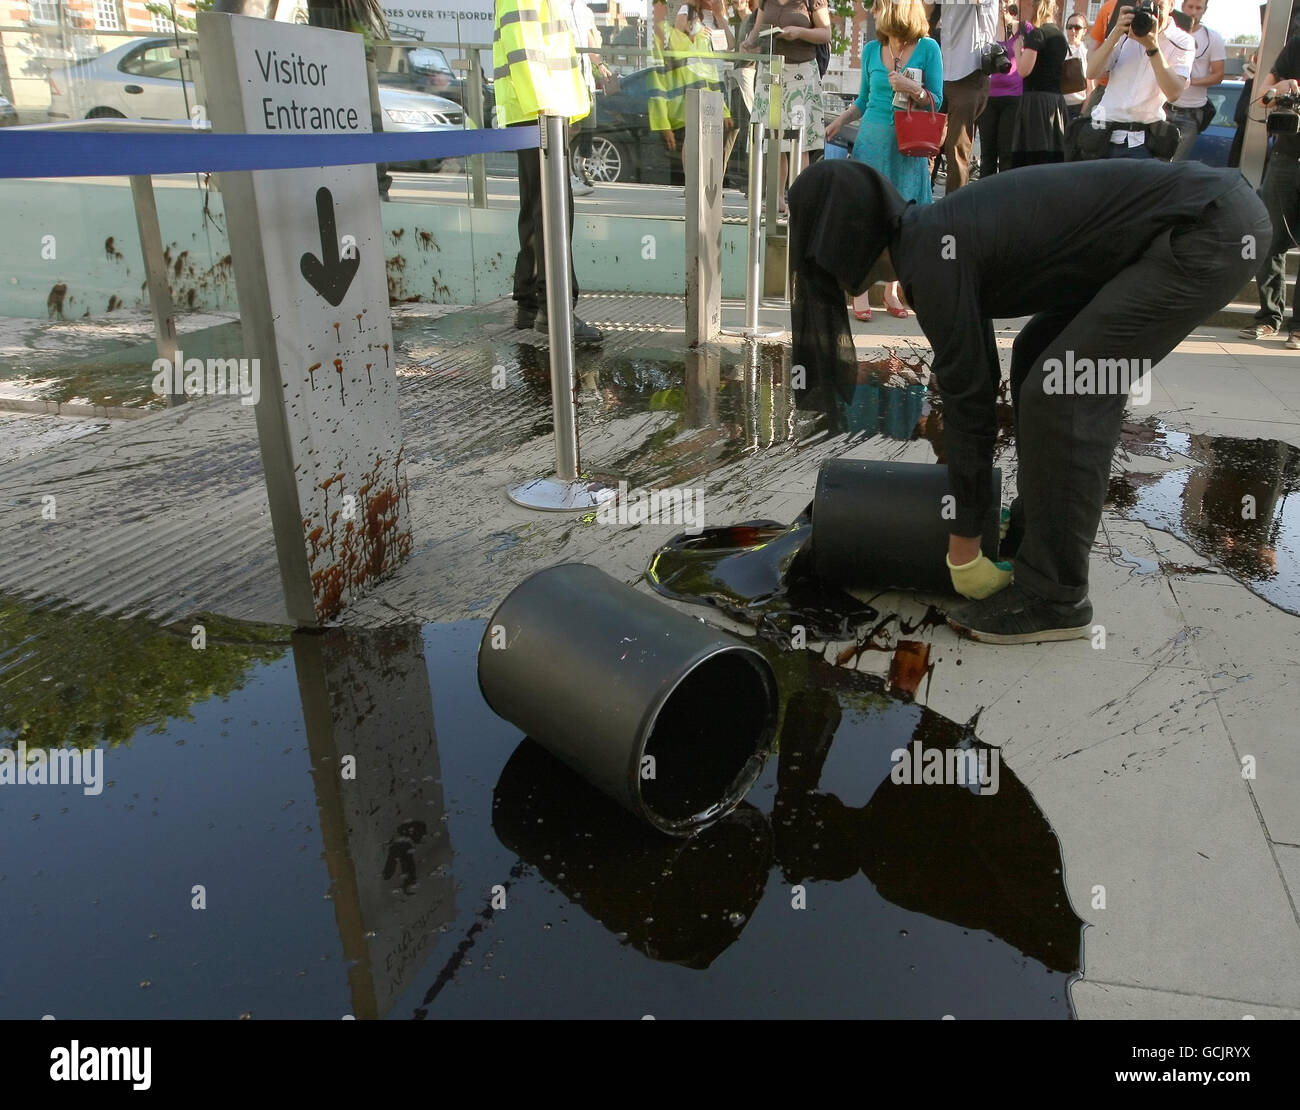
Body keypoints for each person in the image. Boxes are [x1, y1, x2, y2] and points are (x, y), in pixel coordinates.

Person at [788, 157, 1268, 643]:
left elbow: (969, 396)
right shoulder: (929, 238)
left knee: (1064, 389)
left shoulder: (928, 256)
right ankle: (1038, 532)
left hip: (1206, 228)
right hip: (1203, 214)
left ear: (838, 237)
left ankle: (1056, 597)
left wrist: (964, 542)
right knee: (1036, 354)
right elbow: (973, 378)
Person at [495, 0, 605, 343]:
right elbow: (524, 48)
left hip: (536, 111)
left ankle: (530, 304)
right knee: (553, 212)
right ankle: (554, 311)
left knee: (536, 208)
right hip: (542, 111)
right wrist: (547, 108)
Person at [826, 0, 941, 321]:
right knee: (866, 216)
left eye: (879, 6)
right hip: (872, 143)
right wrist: (841, 120)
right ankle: (859, 291)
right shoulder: (872, 50)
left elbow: (938, 98)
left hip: (908, 146)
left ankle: (891, 290)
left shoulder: (929, 48)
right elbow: (863, 99)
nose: (874, 12)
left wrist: (912, 89)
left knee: (902, 221)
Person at [742, 0, 832, 213]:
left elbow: (825, 34)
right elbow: (757, 30)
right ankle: (776, 199)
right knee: (773, 139)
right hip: (771, 71)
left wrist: (799, 32)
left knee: (798, 142)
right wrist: (748, 43)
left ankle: (800, 201)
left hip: (801, 74)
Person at [1241, 36, 1300, 348]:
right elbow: (1262, 95)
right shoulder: (1296, 45)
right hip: (1285, 157)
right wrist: (1285, 86)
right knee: (1270, 239)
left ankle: (1299, 327)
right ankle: (1268, 318)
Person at [1083, 0, 1192, 159]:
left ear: (1171, 6)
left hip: (1143, 141)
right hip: (1104, 135)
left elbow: (1174, 92)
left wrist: (1153, 47)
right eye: (1147, 4)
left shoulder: (1182, 41)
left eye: (1158, 7)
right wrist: (1115, 33)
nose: (1153, 14)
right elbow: (1092, 71)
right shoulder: (1126, 30)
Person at [930, 0, 997, 194]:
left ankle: (955, 211)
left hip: (970, 72)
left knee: (957, 148)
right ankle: (922, 201)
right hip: (943, 70)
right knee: (928, 144)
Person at [1010, 0, 1067, 166]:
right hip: (1055, 102)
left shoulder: (1037, 34)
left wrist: (1018, 51)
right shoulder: (1059, 35)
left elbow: (1023, 70)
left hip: (1036, 104)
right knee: (1051, 155)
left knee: (1033, 156)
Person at [1168, 0, 1225, 162]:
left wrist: (1188, 81)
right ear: (1182, 7)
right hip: (1163, 106)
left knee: (1174, 164)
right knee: (1153, 162)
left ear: (1204, 10)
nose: (1193, 12)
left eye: (1198, 8)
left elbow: (1218, 74)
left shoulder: (1213, 38)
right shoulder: (1169, 32)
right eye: (1190, 7)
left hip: (1191, 111)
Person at [978, 0, 1028, 177]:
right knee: (987, 154)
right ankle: (985, 198)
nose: (1003, 4)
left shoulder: (1024, 29)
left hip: (1013, 97)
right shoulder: (984, 28)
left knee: (1007, 153)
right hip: (988, 97)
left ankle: (1004, 198)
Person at [1062, 11, 1092, 123]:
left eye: (1077, 27)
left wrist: (1082, 114)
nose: (1072, 31)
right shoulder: (1059, 52)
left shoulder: (1087, 54)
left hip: (1077, 108)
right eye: (1069, 27)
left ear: (1084, 31)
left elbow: (1091, 89)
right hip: (1058, 107)